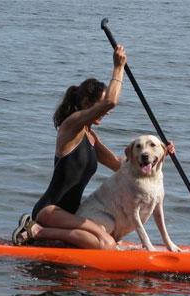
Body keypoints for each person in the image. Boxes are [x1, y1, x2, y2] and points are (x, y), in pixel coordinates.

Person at [12, 45, 175, 249]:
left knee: (111, 240)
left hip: (72, 214)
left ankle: (50, 236)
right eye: (100, 106)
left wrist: (159, 152)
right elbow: (111, 102)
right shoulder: (70, 126)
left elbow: (119, 165)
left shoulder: (90, 136)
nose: (106, 112)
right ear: (87, 103)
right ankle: (35, 230)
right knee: (105, 243)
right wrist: (118, 68)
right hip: (50, 211)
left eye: (104, 107)